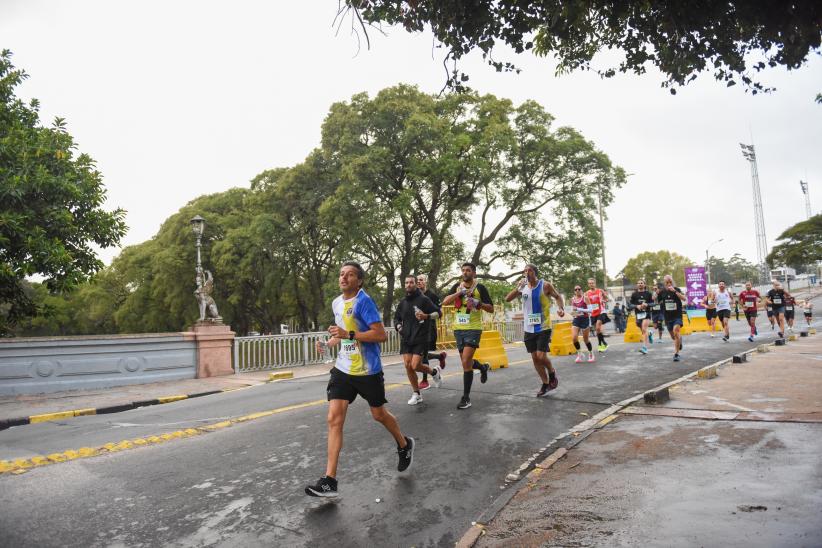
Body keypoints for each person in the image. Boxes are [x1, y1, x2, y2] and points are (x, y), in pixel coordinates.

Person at [305, 262, 414, 498]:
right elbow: (342, 334)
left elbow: (380, 335)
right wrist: (328, 343)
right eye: (341, 274)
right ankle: (329, 481)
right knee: (334, 418)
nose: (343, 278)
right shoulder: (336, 303)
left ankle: (404, 444)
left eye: (350, 274)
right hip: (343, 369)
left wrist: (350, 334)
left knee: (379, 414)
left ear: (359, 280)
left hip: (368, 371)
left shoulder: (364, 301)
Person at [505, 264, 565, 397]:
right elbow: (507, 299)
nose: (527, 273)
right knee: (534, 358)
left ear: (535, 273)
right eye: (525, 271)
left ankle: (552, 373)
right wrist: (517, 288)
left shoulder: (545, 285)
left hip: (543, 326)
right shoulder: (523, 287)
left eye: (529, 270)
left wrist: (561, 308)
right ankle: (545, 384)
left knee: (541, 356)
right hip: (528, 328)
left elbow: (558, 297)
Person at [441, 262, 494, 410]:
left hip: (473, 328)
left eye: (468, 270)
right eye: (463, 270)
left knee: (465, 361)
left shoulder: (480, 288)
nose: (465, 272)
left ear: (474, 273)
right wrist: (459, 293)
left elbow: (491, 308)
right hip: (458, 329)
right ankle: (482, 367)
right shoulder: (457, 287)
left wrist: (478, 303)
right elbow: (445, 302)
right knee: (467, 362)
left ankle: (466, 398)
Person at [393, 275, 443, 405]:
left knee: (415, 365)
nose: (408, 284)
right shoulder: (403, 302)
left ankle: (434, 372)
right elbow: (396, 318)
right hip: (406, 337)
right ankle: (416, 393)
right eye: (406, 282)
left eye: (411, 282)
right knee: (408, 366)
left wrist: (426, 316)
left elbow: (438, 313)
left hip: (421, 337)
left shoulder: (424, 300)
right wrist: (398, 327)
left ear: (415, 284)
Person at [415, 274, 447, 390]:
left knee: (422, 354)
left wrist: (427, 316)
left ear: (426, 282)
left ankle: (424, 380)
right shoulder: (414, 295)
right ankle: (440, 356)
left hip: (428, 328)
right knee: (420, 353)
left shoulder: (432, 296)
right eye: (417, 280)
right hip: (417, 329)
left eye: (421, 280)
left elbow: (439, 313)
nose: (419, 282)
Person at [658, 274, 686, 362]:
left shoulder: (676, 290)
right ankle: (679, 340)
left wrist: (675, 291)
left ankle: (676, 354)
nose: (669, 283)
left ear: (672, 282)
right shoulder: (662, 292)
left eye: (670, 282)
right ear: (664, 283)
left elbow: (684, 298)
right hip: (667, 317)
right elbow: (658, 302)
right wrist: (656, 294)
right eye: (667, 282)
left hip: (677, 315)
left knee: (676, 330)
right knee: (673, 337)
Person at [569, 284, 596, 362]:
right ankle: (580, 354)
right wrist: (573, 313)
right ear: (574, 291)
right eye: (576, 289)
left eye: (579, 289)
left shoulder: (585, 298)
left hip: (585, 319)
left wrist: (579, 309)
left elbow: (591, 310)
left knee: (585, 339)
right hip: (577, 319)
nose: (577, 290)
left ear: (581, 290)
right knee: (574, 338)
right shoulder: (573, 299)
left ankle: (591, 354)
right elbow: (573, 310)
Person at [629, 279, 655, 354]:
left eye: (642, 283)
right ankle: (649, 333)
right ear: (637, 285)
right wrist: (637, 306)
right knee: (643, 330)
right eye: (639, 283)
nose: (640, 284)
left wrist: (647, 304)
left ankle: (645, 348)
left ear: (644, 285)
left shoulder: (648, 294)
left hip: (646, 313)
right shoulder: (634, 294)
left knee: (644, 329)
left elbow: (653, 303)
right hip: (638, 314)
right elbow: (630, 305)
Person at [585, 278, 610, 352]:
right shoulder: (586, 293)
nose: (591, 284)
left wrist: (604, 300)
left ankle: (600, 344)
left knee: (598, 328)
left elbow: (607, 298)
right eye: (589, 283)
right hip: (593, 313)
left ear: (595, 284)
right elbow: (585, 303)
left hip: (601, 311)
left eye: (592, 283)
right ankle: (603, 343)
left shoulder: (600, 291)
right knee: (597, 330)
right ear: (588, 284)